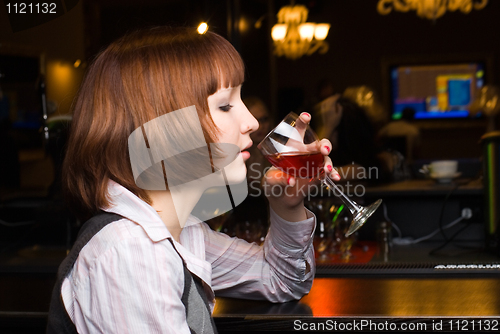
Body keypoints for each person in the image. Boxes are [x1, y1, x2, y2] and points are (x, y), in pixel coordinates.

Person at [47, 26, 339, 333]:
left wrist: (287, 205)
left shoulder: (178, 230)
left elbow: (282, 280)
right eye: (225, 105)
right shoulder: (131, 250)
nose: (251, 123)